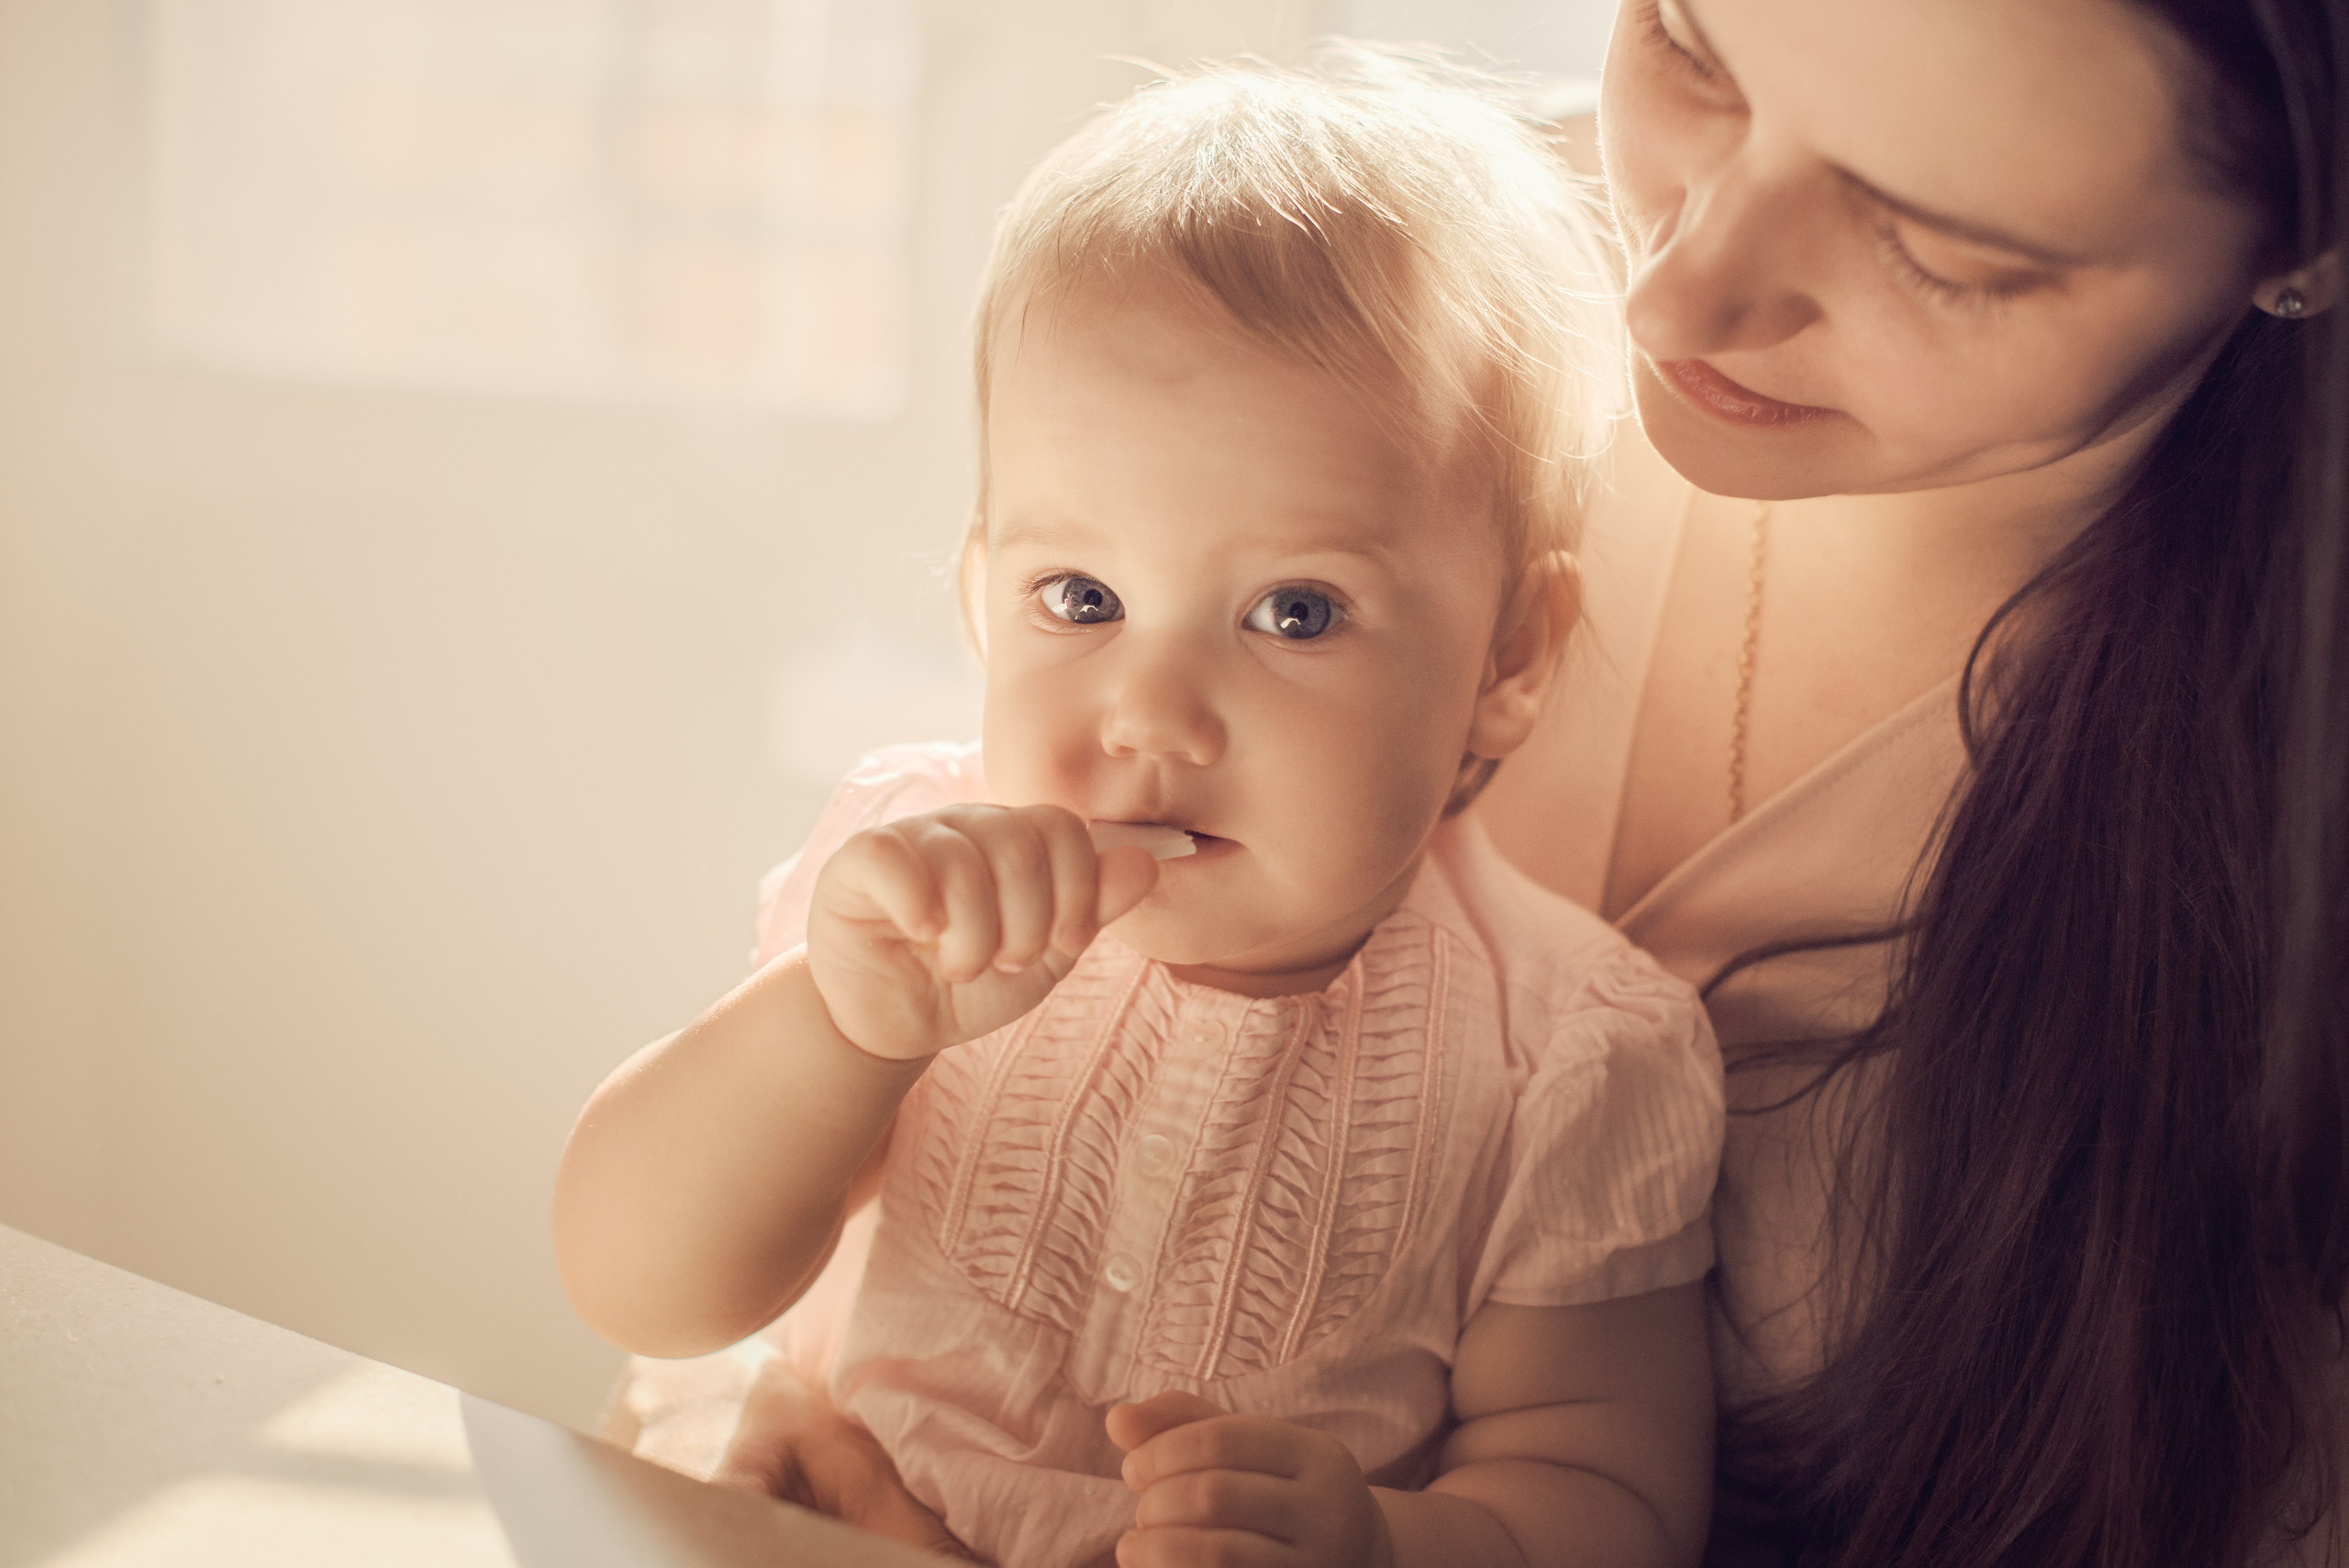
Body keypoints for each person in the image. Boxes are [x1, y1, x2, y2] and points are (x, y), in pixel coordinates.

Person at [614, 0, 2349, 1562]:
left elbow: (1591, 1494)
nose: (1663, 295)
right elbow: (677, 1279)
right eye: (1692, 46)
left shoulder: (1570, 1045)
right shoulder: (1369, 288)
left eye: (1939, 246)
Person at [556, 52, 1728, 1568]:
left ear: (1507, 657)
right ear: (984, 601)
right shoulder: (907, 892)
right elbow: (639, 1286)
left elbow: (1609, 1504)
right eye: (1083, 597)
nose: (1154, 713)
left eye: (1294, 612)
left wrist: (1385, 1546)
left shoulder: (1573, 1053)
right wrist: (835, 1029)